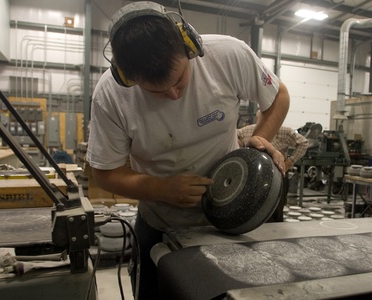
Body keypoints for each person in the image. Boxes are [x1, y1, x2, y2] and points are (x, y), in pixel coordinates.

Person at [86, 2, 290, 299]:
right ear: (126, 77)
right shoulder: (110, 96)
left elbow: (278, 97)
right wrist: (162, 189)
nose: (172, 95)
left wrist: (260, 138)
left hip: (232, 219)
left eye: (179, 81)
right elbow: (105, 174)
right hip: (160, 224)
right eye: (156, 91)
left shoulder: (229, 55)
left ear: (189, 45)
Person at [237, 111, 309, 222]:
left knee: (255, 209)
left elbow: (303, 143)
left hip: (272, 175)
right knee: (273, 210)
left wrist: (289, 162)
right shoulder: (245, 131)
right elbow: (304, 143)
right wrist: (290, 162)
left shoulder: (284, 131)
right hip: (263, 176)